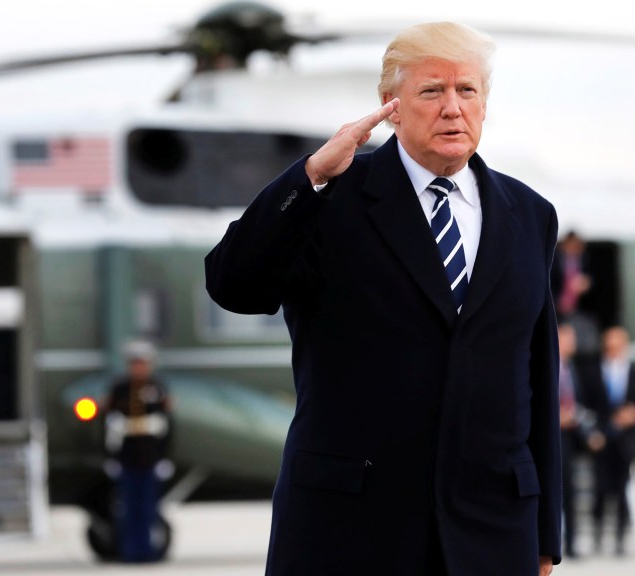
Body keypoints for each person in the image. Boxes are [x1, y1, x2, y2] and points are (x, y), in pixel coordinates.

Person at [205, 21, 561, 576]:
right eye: (431, 91)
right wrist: (311, 177)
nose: (452, 108)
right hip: (352, 531)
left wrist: (544, 536)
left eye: (466, 90)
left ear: (485, 103)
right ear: (390, 105)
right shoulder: (330, 198)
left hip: (492, 534)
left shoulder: (531, 214)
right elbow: (234, 286)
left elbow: (535, 374)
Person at [582, 326, 635, 556]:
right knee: (600, 489)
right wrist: (592, 432)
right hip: (602, 438)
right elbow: (585, 404)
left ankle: (620, 539)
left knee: (624, 489)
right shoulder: (593, 371)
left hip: (626, 440)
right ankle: (596, 536)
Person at [103, 339, 173, 563]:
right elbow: (108, 424)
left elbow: (167, 426)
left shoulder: (158, 388)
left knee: (148, 508)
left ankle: (147, 551)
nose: (139, 368)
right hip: (127, 456)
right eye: (135, 363)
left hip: (150, 457)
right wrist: (109, 457)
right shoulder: (120, 388)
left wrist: (165, 457)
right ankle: (129, 551)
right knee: (128, 508)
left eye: (142, 363)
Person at [557, 323, 604, 559]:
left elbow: (577, 404)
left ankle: (571, 543)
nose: (573, 343)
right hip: (553, 436)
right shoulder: (545, 367)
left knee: (570, 490)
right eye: (568, 339)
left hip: (571, 437)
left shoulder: (570, 368)